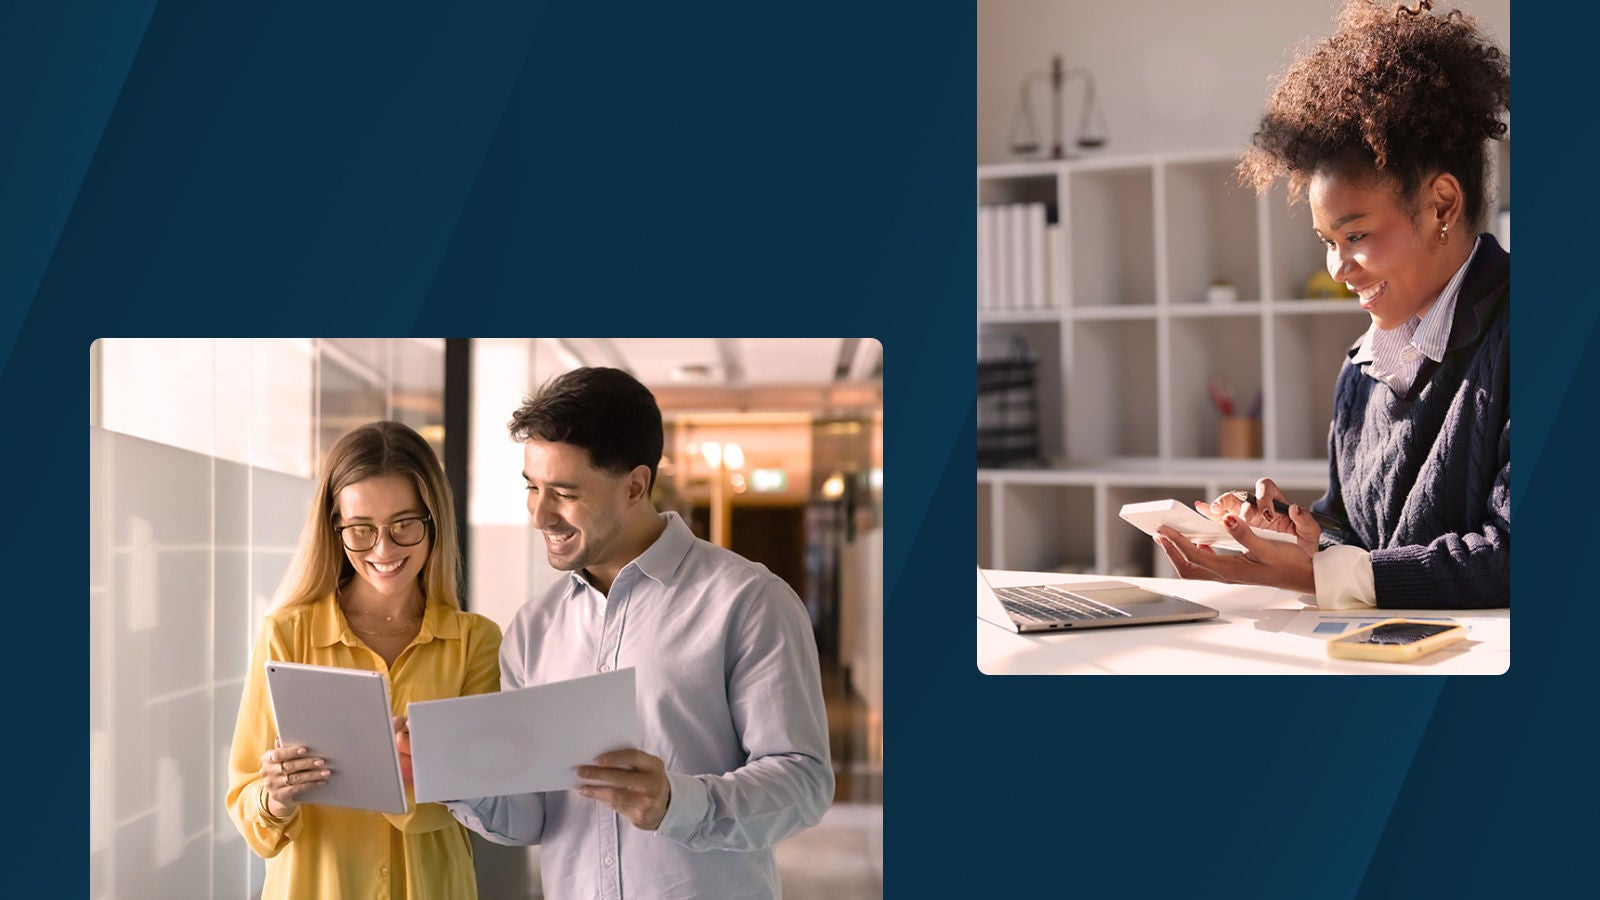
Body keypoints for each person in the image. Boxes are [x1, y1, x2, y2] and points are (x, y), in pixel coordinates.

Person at [1157, 0, 1510, 609]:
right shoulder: (1362, 373)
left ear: (1442, 207)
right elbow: (1361, 539)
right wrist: (1296, 540)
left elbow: (1512, 556)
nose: (1338, 268)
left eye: (1356, 236)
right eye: (1327, 242)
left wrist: (1317, 576)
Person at [444, 367, 834, 899]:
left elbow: (804, 782)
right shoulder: (533, 628)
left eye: (563, 492)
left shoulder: (748, 602)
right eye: (532, 488)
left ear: (635, 485)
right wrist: (454, 776)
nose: (539, 515)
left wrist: (677, 802)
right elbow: (531, 817)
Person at [226, 421, 503, 898]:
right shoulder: (286, 635)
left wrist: (407, 772)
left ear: (433, 521)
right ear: (335, 529)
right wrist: (275, 798)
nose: (384, 549)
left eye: (404, 525)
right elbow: (249, 807)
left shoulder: (474, 642)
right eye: (361, 529)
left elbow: (485, 801)